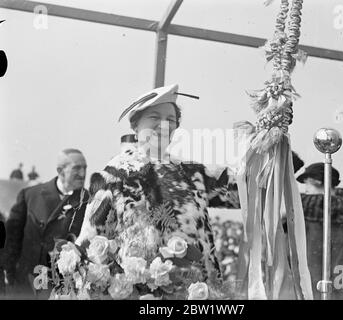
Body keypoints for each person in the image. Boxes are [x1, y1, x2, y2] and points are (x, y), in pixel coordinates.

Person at [76, 84, 240, 289]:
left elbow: (247, 191)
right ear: (135, 126)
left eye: (171, 120)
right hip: (138, 293)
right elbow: (89, 244)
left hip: (197, 295)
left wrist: (271, 142)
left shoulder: (194, 174)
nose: (164, 125)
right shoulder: (112, 177)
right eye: (154, 117)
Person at [3, 149, 90, 299]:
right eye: (77, 168)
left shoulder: (89, 201)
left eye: (85, 168)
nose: (82, 174)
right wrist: (10, 274)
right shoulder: (30, 195)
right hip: (24, 283)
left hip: (61, 289)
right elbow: (11, 239)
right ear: (60, 171)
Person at [296, 162, 343, 300]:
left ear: (317, 182)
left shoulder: (304, 206)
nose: (305, 189)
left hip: (314, 274)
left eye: (307, 185)